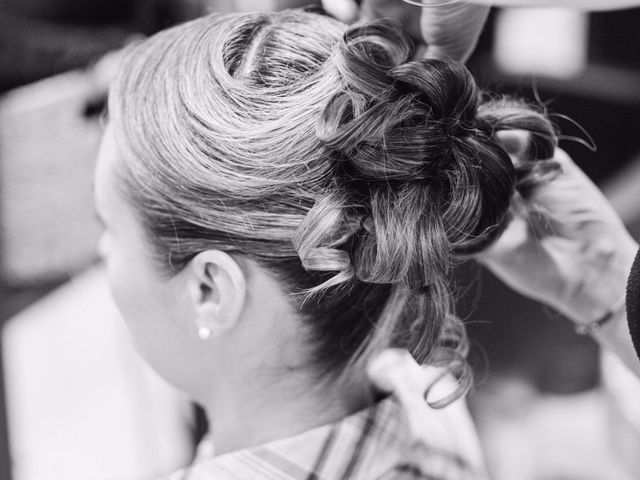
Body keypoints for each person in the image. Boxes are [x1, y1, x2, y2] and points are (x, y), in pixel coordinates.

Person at [93, 7, 574, 478]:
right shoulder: (424, 397)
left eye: (108, 227)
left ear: (210, 290)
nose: (103, 252)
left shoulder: (425, 383)